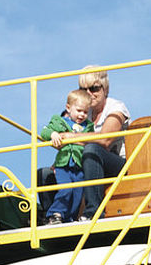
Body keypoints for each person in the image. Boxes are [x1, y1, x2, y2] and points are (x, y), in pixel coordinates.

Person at [75, 68, 130, 218]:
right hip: (90, 164)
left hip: (119, 165)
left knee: (92, 149)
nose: (89, 93)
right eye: (83, 89)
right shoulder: (82, 113)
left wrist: (70, 137)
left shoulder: (116, 107)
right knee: (45, 173)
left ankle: (93, 212)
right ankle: (53, 217)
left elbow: (105, 139)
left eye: (94, 88)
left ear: (105, 89)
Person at [36, 89, 96, 224]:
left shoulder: (88, 127)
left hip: (79, 165)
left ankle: (68, 218)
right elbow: (45, 131)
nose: (82, 115)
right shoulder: (60, 121)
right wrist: (53, 135)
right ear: (68, 108)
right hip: (64, 165)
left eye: (85, 112)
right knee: (66, 189)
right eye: (79, 110)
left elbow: (92, 140)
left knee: (78, 193)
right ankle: (55, 213)